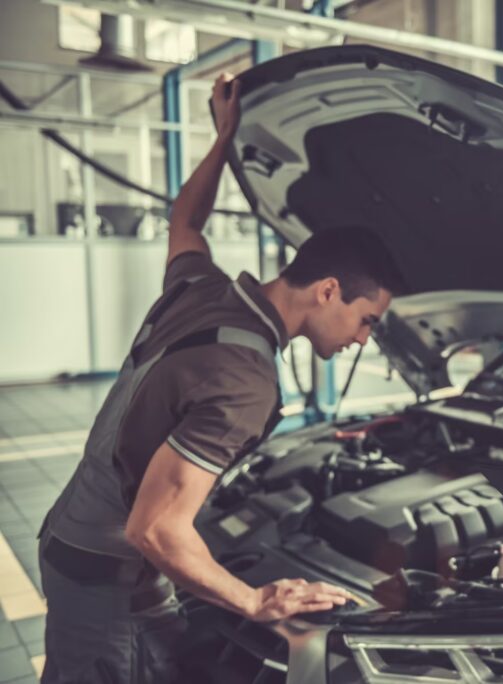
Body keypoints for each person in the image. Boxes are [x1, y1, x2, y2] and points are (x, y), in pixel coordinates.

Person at [38, 73, 404, 683]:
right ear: (328, 290)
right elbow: (154, 528)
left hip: (78, 540)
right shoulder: (246, 379)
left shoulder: (202, 290)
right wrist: (255, 601)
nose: (364, 338)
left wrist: (223, 140)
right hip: (105, 575)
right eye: (366, 320)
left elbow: (185, 222)